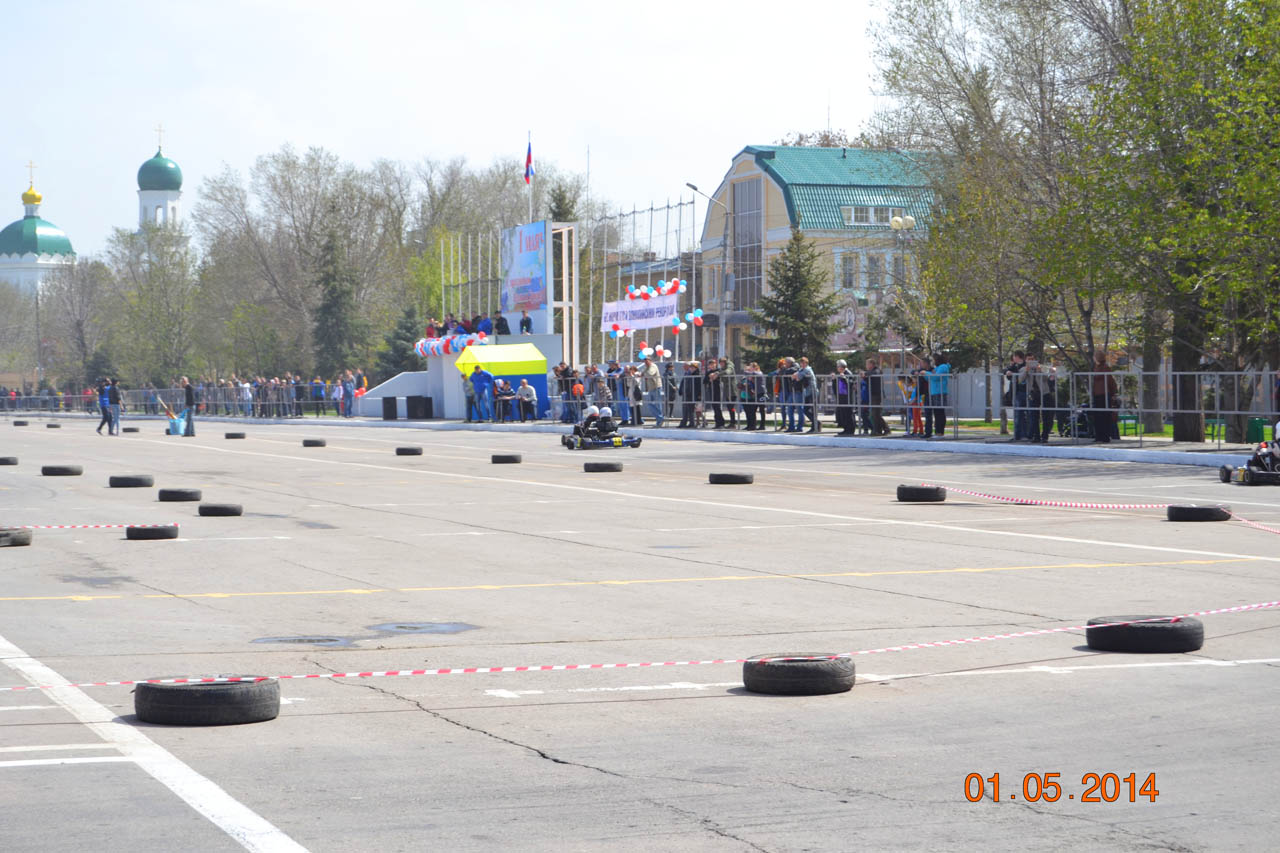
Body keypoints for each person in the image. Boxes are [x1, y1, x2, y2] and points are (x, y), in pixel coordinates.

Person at [1089, 350, 1118, 443]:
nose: (1093, 358)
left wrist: (1113, 393)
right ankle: (1100, 436)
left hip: (1103, 394)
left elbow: (1109, 380)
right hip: (1099, 394)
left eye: (1095, 356)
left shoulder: (1104, 367)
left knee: (1103, 416)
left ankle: (1104, 436)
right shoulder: (1098, 367)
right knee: (1099, 416)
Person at [925, 354, 951, 439]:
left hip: (940, 391)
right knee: (936, 412)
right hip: (934, 392)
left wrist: (926, 373)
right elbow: (930, 378)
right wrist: (926, 373)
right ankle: (938, 432)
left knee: (939, 412)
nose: (932, 362)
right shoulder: (937, 368)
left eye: (932, 360)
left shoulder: (943, 367)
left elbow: (936, 377)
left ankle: (940, 432)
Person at [1005, 350, 1028, 440]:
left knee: (1024, 414)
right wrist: (1008, 371)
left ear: (1018, 356)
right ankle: (1017, 435)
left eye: (1014, 356)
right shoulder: (1014, 366)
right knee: (1017, 414)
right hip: (1016, 392)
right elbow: (1006, 371)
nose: (1013, 358)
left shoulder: (1026, 365)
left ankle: (1024, 434)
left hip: (1025, 391)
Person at [862, 358, 889, 436]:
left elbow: (874, 373)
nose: (866, 366)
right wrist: (864, 375)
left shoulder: (877, 370)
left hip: (877, 395)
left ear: (871, 364)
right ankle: (882, 429)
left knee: (875, 414)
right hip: (872, 394)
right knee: (875, 414)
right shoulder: (871, 372)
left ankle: (880, 430)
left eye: (867, 364)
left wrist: (865, 373)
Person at [832, 360, 856, 435]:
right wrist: (834, 380)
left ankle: (850, 429)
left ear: (842, 367)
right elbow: (836, 386)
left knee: (848, 413)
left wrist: (844, 378)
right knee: (843, 413)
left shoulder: (848, 373)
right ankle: (846, 428)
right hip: (841, 396)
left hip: (847, 397)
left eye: (838, 366)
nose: (837, 368)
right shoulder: (840, 374)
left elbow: (851, 383)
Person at [641, 355, 664, 425]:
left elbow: (649, 374)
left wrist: (643, 374)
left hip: (656, 387)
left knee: (657, 404)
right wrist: (642, 373)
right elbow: (642, 373)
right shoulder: (646, 367)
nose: (645, 362)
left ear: (650, 361)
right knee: (649, 404)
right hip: (651, 388)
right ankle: (659, 418)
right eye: (645, 361)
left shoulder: (653, 366)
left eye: (647, 361)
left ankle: (660, 419)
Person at [678, 361, 701, 428]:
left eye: (693, 367)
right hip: (686, 393)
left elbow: (698, 386)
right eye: (691, 367)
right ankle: (685, 422)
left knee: (691, 410)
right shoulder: (687, 373)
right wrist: (681, 390)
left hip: (691, 394)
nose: (691, 369)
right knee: (686, 409)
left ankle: (692, 423)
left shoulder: (695, 375)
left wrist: (698, 395)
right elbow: (683, 383)